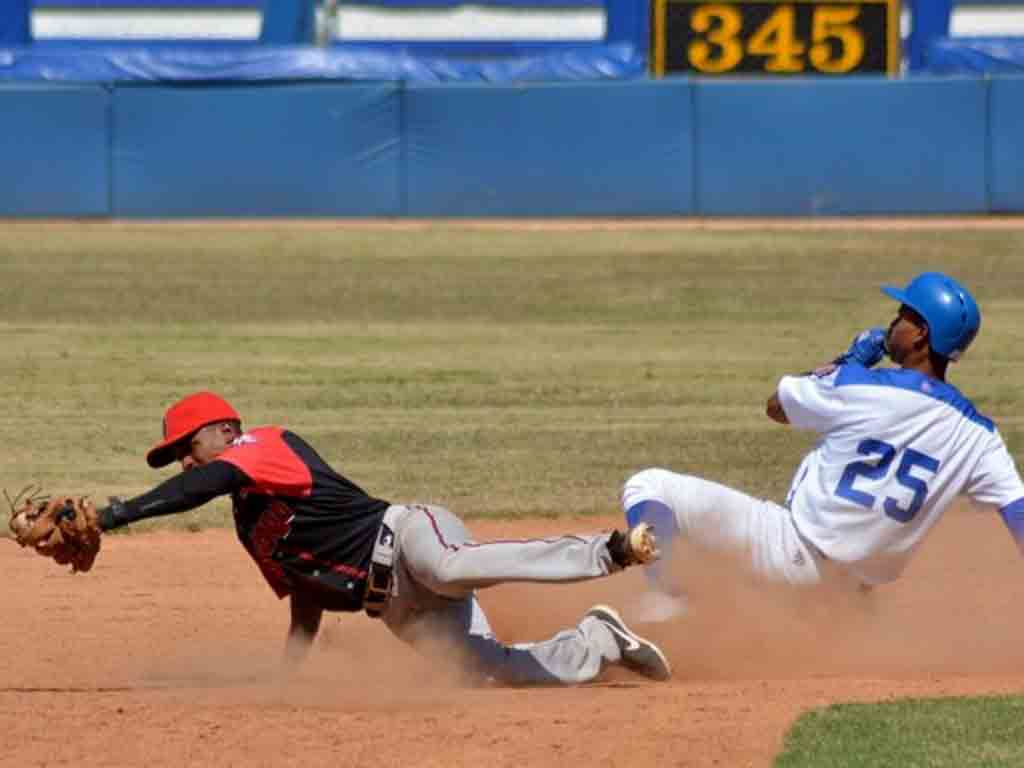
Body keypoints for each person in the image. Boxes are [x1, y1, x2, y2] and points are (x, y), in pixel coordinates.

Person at [95, 391, 672, 685]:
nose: (182, 464)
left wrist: (111, 515)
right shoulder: (250, 520)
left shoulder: (263, 446)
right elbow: (307, 590)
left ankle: (610, 550)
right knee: (485, 671)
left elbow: (209, 481)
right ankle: (599, 641)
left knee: (451, 568)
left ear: (225, 430)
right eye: (174, 457)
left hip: (409, 537)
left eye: (184, 448)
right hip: (396, 607)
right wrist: (290, 671)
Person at [621, 271, 1024, 621]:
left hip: (791, 553)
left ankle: (666, 606)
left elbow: (776, 407)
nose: (893, 321)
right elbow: (1018, 513)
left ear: (921, 333)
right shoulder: (980, 436)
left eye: (903, 314)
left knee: (649, 486)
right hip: (849, 593)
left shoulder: (860, 385)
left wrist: (847, 360)